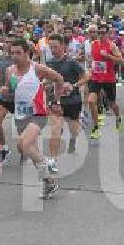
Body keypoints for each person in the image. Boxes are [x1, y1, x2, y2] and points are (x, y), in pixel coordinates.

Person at [0, 37, 65, 198]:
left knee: (24, 143)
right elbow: (11, 90)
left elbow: (59, 79)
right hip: (20, 114)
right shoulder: (10, 71)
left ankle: (47, 167)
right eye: (12, 53)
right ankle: (49, 181)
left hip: (38, 113)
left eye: (18, 53)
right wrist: (3, 91)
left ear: (27, 53)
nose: (14, 56)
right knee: (27, 148)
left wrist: (56, 100)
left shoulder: (37, 69)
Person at [45, 34, 87, 167]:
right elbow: (46, 80)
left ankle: (73, 139)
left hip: (72, 101)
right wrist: (46, 85)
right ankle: (53, 160)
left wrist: (73, 85)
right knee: (55, 130)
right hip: (55, 102)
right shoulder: (49, 63)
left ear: (63, 46)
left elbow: (86, 76)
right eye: (51, 47)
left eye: (55, 47)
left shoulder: (71, 62)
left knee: (73, 130)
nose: (53, 50)